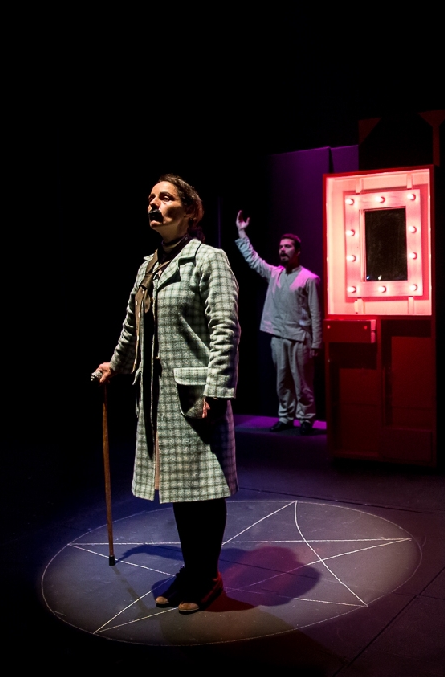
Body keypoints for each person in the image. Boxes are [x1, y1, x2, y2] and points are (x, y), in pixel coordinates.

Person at [94, 174, 240, 612]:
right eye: (151, 198)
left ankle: (207, 574)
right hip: (159, 399)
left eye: (165, 197)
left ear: (190, 211)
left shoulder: (209, 259)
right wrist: (115, 364)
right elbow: (132, 326)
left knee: (203, 490)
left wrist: (217, 389)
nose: (154, 204)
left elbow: (225, 327)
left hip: (196, 395)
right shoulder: (148, 267)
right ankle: (193, 569)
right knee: (179, 488)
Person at [234, 209, 322, 435]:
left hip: (300, 338)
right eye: (281, 246)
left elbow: (315, 313)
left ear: (297, 251)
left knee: (302, 383)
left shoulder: (309, 278)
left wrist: (316, 343)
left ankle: (306, 419)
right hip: (278, 336)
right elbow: (253, 260)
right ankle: (285, 417)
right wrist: (242, 233)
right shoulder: (274, 273)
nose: (283, 249)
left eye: (288, 246)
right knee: (282, 382)